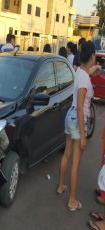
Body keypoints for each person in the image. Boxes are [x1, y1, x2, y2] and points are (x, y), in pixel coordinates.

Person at [57, 41, 98, 211]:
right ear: (92, 57)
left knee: (67, 155)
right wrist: (83, 136)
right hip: (77, 118)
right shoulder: (84, 80)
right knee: (76, 162)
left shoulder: (80, 72)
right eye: (95, 55)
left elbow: (87, 72)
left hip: (70, 116)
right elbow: (81, 108)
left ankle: (60, 186)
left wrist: (94, 70)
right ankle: (72, 201)